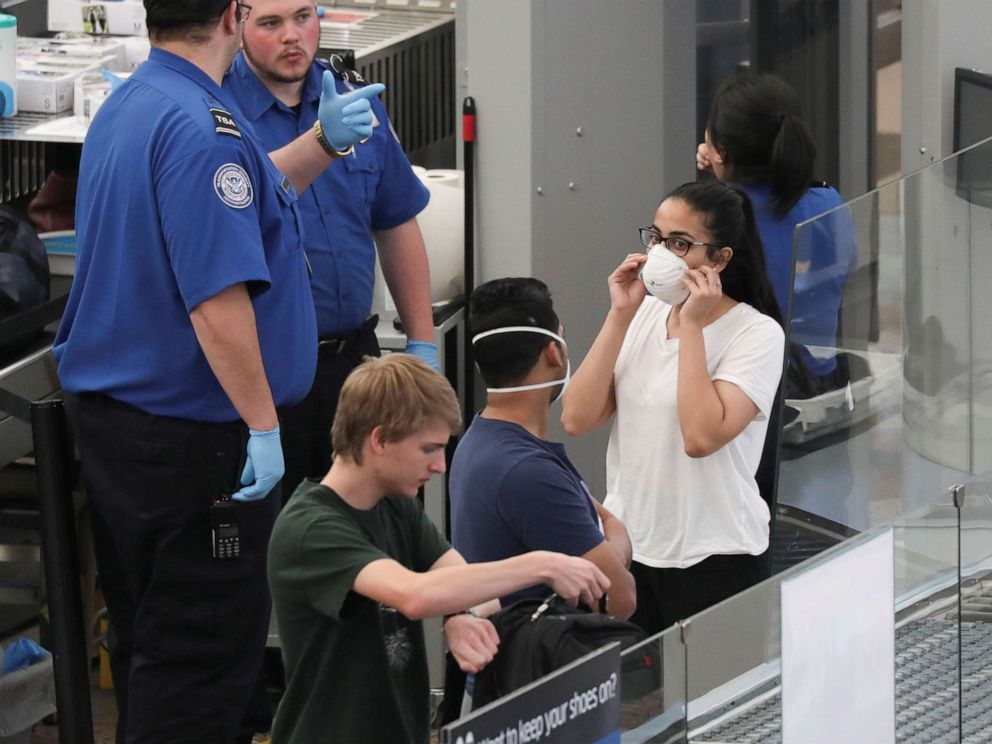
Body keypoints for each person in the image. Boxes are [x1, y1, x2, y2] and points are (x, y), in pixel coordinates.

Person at [53, 1, 384, 741]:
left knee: (152, 641)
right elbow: (215, 300)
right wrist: (263, 424)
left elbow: (231, 194)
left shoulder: (137, 103)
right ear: (234, 14)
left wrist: (321, 144)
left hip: (125, 435)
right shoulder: (205, 129)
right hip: (197, 448)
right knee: (202, 662)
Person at [268, 354, 609, 744]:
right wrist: (542, 564)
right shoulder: (311, 529)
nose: (441, 466)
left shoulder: (393, 502)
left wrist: (458, 615)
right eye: (428, 449)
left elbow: (462, 581)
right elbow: (413, 595)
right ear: (378, 440)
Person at [223, 0, 438, 499]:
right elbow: (240, 203)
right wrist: (320, 142)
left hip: (355, 362)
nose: (292, 36)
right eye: (270, 24)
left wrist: (422, 347)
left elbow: (396, 221)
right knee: (281, 544)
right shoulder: (218, 112)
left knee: (373, 534)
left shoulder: (351, 98)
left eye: (303, 17)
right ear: (235, 25)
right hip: (270, 367)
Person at [561, 181, 786, 634]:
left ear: (720, 259)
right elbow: (576, 418)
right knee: (637, 703)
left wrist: (692, 328)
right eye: (657, 238)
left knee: (718, 702)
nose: (661, 253)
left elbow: (701, 437)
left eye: (680, 244)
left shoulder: (757, 334)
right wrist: (620, 313)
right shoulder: (643, 312)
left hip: (716, 555)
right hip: (631, 549)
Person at [449, 277, 636, 620]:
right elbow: (620, 598)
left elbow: (597, 517)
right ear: (554, 352)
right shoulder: (529, 472)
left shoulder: (480, 442)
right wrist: (618, 543)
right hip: (544, 661)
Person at [695, 72, 858, 397]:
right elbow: (848, 267)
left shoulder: (714, 224)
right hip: (822, 381)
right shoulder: (828, 202)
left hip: (745, 392)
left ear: (722, 152)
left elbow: (664, 306)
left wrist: (717, 180)